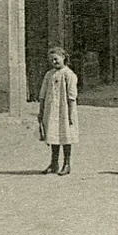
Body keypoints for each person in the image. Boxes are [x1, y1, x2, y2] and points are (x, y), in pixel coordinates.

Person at [37, 47, 79, 176]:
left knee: (66, 135)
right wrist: (41, 111)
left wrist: (70, 114)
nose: (54, 62)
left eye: (56, 59)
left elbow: (72, 96)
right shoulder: (49, 75)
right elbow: (43, 94)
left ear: (63, 58)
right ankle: (54, 163)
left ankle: (66, 164)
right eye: (51, 60)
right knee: (53, 134)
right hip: (51, 110)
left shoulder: (69, 74)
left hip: (64, 110)